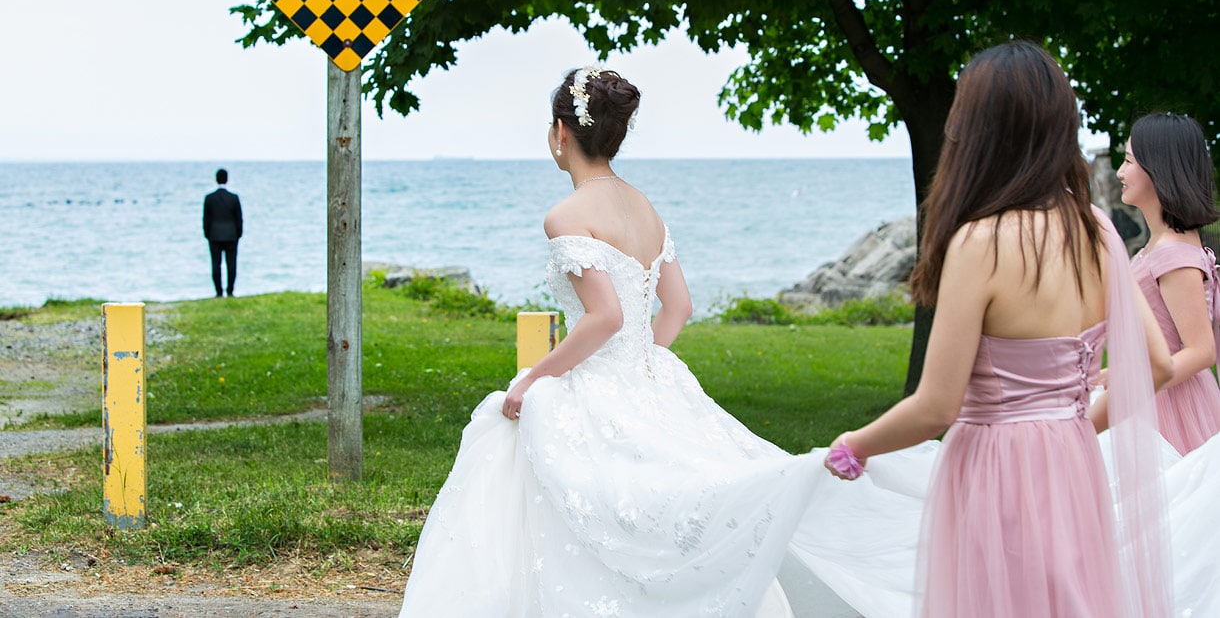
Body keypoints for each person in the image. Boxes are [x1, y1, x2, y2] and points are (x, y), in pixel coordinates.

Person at [397, 67, 824, 617]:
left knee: (510, 431)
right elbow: (679, 306)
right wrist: (647, 366)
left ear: (560, 132)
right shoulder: (645, 207)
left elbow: (605, 317)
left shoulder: (567, 216)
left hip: (598, 377)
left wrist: (534, 377)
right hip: (650, 375)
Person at [822, 41, 1174, 618]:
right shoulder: (1099, 230)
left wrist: (853, 447)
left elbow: (936, 406)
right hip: (1074, 458)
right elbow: (1156, 368)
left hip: (997, 469)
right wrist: (1065, 422)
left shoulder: (981, 241)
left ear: (979, 131)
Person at [1117, 112, 1220, 454]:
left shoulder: (1172, 254)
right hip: (1161, 393)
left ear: (1158, 169)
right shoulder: (1165, 246)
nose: (1120, 172)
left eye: (1129, 160)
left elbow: (1202, 350)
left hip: (1172, 408)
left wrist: (1133, 384)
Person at [203, 168, 242, 298]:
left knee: (216, 264)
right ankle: (230, 291)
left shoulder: (209, 198)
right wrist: (238, 233)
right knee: (231, 264)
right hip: (231, 235)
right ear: (227, 179)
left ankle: (219, 292)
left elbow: (206, 219)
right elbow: (239, 219)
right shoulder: (233, 198)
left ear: (216, 179)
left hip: (214, 235)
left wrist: (207, 234)